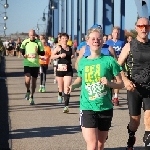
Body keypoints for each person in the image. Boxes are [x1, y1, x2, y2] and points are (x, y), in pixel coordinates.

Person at [68, 27, 124, 150]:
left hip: (105, 107)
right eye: (93, 39)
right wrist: (73, 86)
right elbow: (80, 79)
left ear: (103, 41)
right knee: (92, 145)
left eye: (98, 39)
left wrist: (109, 83)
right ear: (87, 41)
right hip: (87, 106)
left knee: (100, 144)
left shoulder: (109, 61)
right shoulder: (83, 62)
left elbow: (120, 84)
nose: (96, 41)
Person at [118, 17, 150, 150]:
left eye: (147, 26)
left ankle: (147, 143)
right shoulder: (129, 46)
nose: (144, 29)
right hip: (134, 88)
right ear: (136, 28)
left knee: (149, 118)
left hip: (149, 88)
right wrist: (125, 80)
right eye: (141, 26)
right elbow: (117, 66)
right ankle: (131, 136)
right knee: (134, 122)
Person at [51, 33, 74, 113]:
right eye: (63, 38)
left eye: (66, 38)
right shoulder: (58, 48)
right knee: (61, 88)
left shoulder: (71, 48)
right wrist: (59, 56)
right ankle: (60, 93)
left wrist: (72, 56)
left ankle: (66, 106)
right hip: (60, 69)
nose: (65, 40)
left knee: (67, 88)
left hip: (68, 69)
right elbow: (52, 56)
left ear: (68, 39)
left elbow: (73, 54)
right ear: (60, 39)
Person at [20, 29, 45, 105]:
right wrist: (24, 54)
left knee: (33, 83)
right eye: (31, 35)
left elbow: (42, 53)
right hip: (27, 63)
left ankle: (32, 96)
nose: (32, 36)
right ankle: (28, 90)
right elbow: (21, 49)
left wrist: (38, 51)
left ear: (35, 35)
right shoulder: (25, 41)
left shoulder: (38, 42)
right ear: (29, 35)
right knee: (27, 80)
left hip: (35, 64)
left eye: (33, 35)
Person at [106, 26, 125, 106]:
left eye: (118, 33)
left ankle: (116, 97)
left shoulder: (122, 42)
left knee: (118, 80)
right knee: (111, 81)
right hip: (110, 64)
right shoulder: (108, 43)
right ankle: (110, 96)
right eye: (115, 32)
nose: (116, 34)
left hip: (118, 63)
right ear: (112, 33)